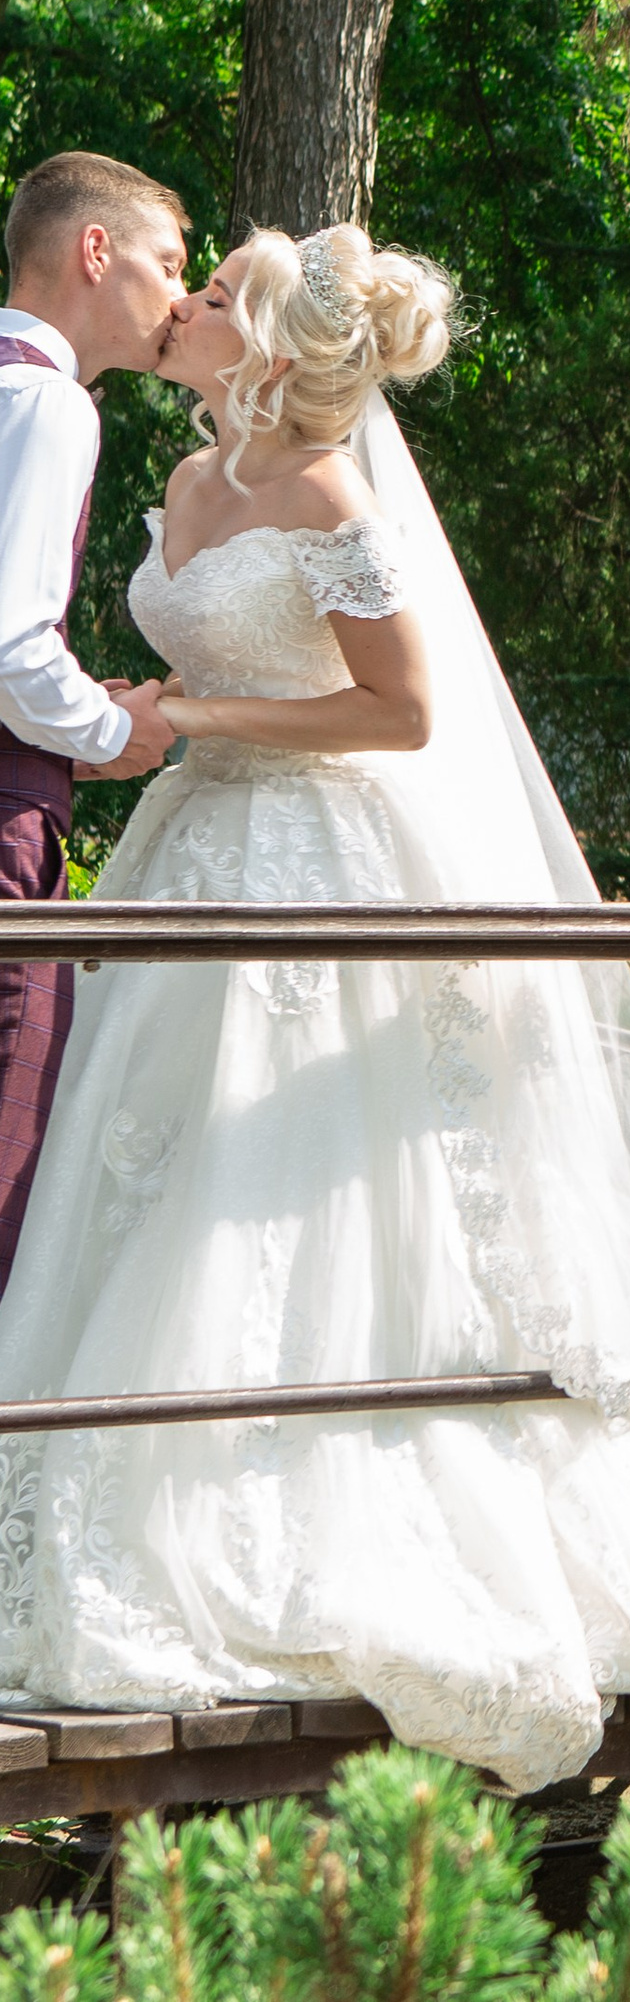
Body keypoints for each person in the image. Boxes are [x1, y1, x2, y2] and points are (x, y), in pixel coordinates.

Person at [0, 222, 630, 1790]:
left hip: (313, 860)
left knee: (275, 1193)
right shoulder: (187, 484)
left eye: (215, 297)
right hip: (187, 850)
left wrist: (187, 715)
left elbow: (407, 710)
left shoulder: (331, 495)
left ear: (272, 343)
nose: (187, 309)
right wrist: (153, 734)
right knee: (134, 1178)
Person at [0, 154, 184, 1295]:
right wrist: (112, 734)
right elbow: (11, 645)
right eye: (168, 262)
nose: (179, 294)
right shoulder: (51, 402)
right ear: (94, 251)